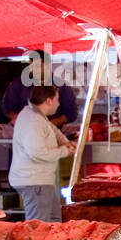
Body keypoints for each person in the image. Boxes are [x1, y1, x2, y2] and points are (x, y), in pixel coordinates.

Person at [10, 82, 74, 221]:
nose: (58, 104)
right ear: (48, 100)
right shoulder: (32, 120)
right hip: (35, 182)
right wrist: (64, 151)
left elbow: (53, 130)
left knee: (54, 223)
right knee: (39, 228)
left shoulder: (37, 115)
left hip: (42, 181)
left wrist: (65, 142)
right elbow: (37, 152)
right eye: (57, 100)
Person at [2, 50, 79, 129]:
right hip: (24, 129)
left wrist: (48, 124)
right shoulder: (18, 84)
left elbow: (71, 113)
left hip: (53, 132)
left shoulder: (61, 86)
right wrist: (17, 119)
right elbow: (8, 107)